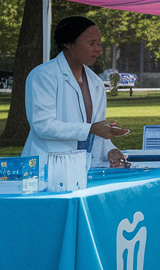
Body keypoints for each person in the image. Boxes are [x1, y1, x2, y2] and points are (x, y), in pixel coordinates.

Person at [23, 16, 131, 168]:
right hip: (46, 167)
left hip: (83, 168)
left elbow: (96, 130)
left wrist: (110, 150)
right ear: (68, 43)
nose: (98, 49)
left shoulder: (95, 82)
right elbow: (43, 126)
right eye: (91, 43)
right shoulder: (43, 75)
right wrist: (91, 129)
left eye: (99, 43)